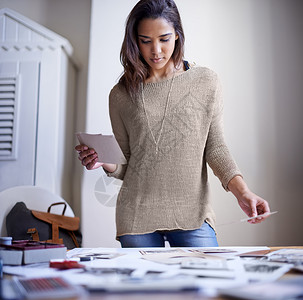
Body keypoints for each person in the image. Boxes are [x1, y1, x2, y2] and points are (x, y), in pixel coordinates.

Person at [75, 0, 271, 248]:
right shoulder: (121, 94)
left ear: (177, 35)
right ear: (134, 41)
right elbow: (125, 163)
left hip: (192, 216)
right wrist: (104, 160)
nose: (155, 50)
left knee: (206, 283)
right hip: (136, 219)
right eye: (145, 41)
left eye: (164, 39)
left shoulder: (205, 82)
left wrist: (243, 193)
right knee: (145, 288)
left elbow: (216, 147)